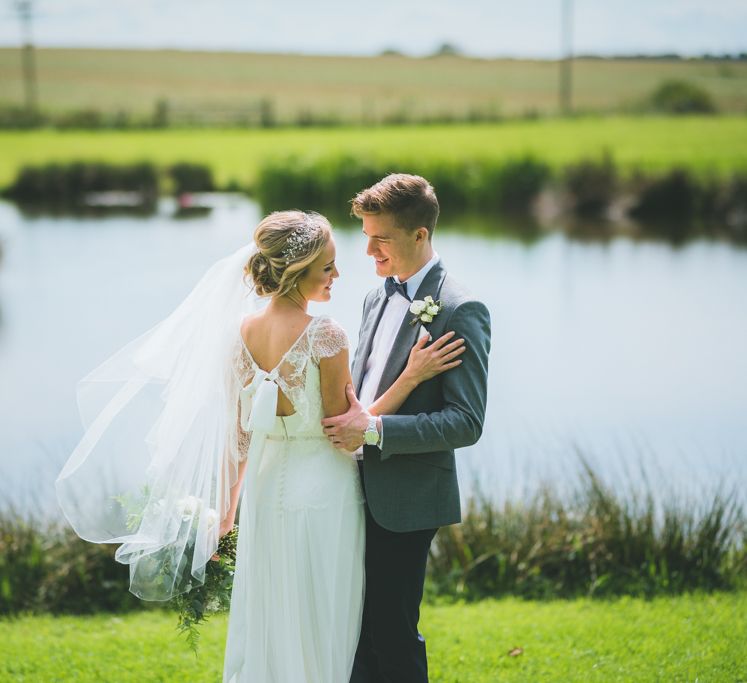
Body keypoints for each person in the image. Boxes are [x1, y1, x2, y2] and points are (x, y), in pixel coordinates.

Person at [321, 174, 492, 683]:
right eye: (366, 237)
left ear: (421, 234)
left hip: (407, 499)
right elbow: (364, 393)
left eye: (382, 239)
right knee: (353, 631)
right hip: (347, 488)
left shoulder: (461, 310)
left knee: (393, 634)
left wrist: (374, 433)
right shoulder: (377, 297)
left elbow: (466, 422)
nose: (370, 251)